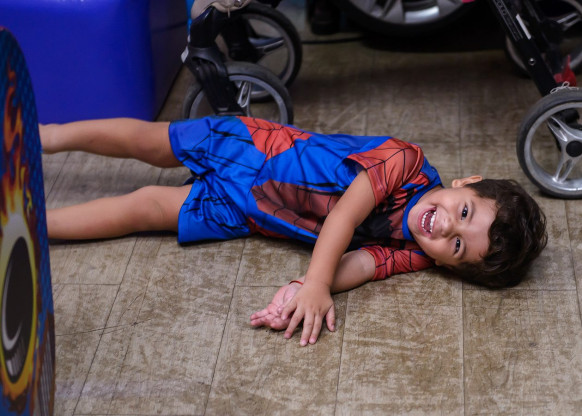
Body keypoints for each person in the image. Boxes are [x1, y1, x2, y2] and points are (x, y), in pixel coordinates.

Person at [40, 115, 547, 346]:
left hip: (248, 211)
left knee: (145, 208)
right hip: (252, 146)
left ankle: (35, 225)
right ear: (466, 183)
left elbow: (360, 264)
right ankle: (48, 135)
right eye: (464, 211)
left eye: (456, 245)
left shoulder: (416, 253)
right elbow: (344, 218)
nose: (446, 227)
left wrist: (300, 290)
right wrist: (318, 282)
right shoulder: (406, 163)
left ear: (446, 264)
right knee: (153, 143)